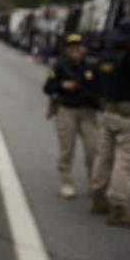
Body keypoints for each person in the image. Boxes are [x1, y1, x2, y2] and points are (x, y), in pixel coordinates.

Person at [89, 18, 130, 227]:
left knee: (104, 156)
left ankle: (98, 197)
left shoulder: (106, 57)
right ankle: (118, 207)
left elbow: (97, 82)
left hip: (108, 111)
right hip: (129, 116)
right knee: (125, 161)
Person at [43, 33, 100, 198]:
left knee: (93, 150)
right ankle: (66, 182)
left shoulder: (92, 67)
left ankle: (93, 183)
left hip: (88, 112)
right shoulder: (59, 66)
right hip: (67, 110)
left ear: (84, 48)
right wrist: (62, 85)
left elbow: (101, 87)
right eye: (72, 47)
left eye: (78, 46)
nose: (75, 49)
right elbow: (48, 87)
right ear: (67, 49)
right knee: (67, 149)